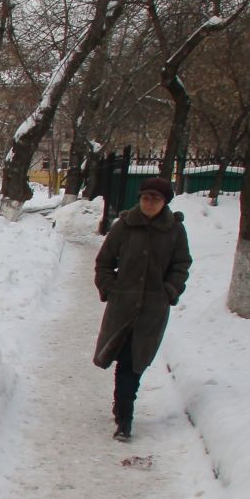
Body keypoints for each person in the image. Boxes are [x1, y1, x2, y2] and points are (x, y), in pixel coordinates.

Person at [93, 176, 192, 441]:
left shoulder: (174, 231)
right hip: (122, 306)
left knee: (137, 362)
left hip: (152, 310)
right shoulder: (124, 226)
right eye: (146, 197)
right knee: (125, 358)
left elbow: (181, 265)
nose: (150, 203)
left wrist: (169, 291)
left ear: (165, 202)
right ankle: (125, 418)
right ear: (139, 198)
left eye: (156, 199)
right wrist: (111, 289)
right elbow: (104, 262)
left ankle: (123, 406)